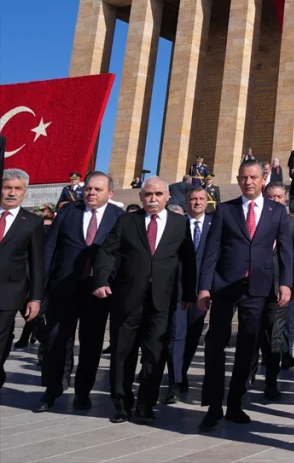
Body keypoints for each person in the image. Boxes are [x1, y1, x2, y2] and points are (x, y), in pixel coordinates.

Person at [198, 159, 294, 430]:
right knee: (216, 344)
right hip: (225, 286)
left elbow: (286, 250)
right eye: (243, 178)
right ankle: (214, 405)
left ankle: (236, 403)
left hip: (258, 288)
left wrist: (285, 283)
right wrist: (205, 287)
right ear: (238, 180)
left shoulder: (277, 212)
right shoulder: (225, 211)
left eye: (253, 177)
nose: (248, 182)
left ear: (263, 178)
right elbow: (211, 252)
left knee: (248, 346)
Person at [91, 176, 196, 424]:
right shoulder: (127, 221)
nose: (153, 199)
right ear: (140, 197)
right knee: (122, 352)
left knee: (155, 354)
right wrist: (101, 280)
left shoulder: (180, 224)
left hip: (161, 300)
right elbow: (108, 251)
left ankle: (146, 405)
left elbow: (188, 261)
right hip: (127, 299)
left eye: (158, 194)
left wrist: (189, 293)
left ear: (168, 196)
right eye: (148, 195)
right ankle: (121, 404)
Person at [36, 171, 125, 412]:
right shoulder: (68, 212)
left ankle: (83, 392)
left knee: (91, 343)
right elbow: (50, 248)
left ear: (110, 193)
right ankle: (52, 390)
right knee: (56, 339)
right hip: (63, 288)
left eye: (98, 189)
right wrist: (40, 287)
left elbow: (120, 257)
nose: (91, 193)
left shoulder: (120, 217)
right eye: (88, 188)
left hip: (97, 293)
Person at [261, 182, 294, 395]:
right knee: (255, 334)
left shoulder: (292, 224)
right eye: (272, 196)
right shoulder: (255, 219)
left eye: (279, 197)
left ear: (285, 200)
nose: (276, 200)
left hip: (280, 287)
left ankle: (271, 382)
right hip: (255, 286)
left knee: (275, 335)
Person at [164, 187, 211, 405]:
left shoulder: (214, 225)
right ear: (187, 202)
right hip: (179, 289)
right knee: (177, 334)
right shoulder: (176, 224)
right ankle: (174, 381)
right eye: (193, 199)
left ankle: (181, 371)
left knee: (193, 335)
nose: (197, 202)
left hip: (202, 290)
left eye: (201, 199)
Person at [0, 169, 44, 390]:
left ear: (25, 192)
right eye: (7, 187)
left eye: (17, 189)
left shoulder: (32, 222)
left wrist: (35, 298)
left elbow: (37, 263)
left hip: (9, 292)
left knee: (0, 340)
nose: (11, 193)